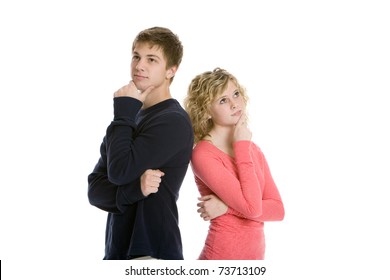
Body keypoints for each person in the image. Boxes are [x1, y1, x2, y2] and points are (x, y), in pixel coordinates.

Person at [87, 27, 194, 260]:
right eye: (136, 56)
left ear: (171, 70)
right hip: (118, 252)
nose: (139, 65)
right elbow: (95, 190)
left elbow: (119, 171)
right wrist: (137, 188)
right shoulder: (129, 117)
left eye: (152, 59)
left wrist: (123, 113)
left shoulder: (172, 121)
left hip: (151, 253)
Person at [184, 68, 285, 260]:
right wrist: (241, 146)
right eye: (223, 100)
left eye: (236, 94)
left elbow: (278, 210)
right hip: (222, 257)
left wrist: (226, 208)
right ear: (206, 110)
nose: (234, 104)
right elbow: (253, 209)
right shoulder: (203, 154)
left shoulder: (252, 149)